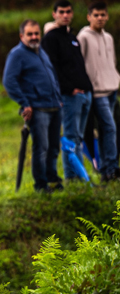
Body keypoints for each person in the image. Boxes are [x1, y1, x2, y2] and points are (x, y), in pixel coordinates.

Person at [3, 20, 65, 193]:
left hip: (54, 106)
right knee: (41, 147)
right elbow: (9, 81)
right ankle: (41, 184)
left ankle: (53, 179)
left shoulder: (41, 52)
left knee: (54, 147)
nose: (34, 37)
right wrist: (24, 102)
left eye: (36, 33)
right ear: (21, 36)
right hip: (37, 109)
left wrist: (58, 98)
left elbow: (52, 76)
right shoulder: (17, 54)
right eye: (29, 34)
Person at [43, 1, 95, 181]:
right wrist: (69, 89)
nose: (65, 15)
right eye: (61, 12)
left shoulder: (72, 37)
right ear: (54, 14)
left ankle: (79, 177)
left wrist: (88, 88)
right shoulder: (50, 39)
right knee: (71, 139)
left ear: (72, 14)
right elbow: (52, 69)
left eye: (68, 12)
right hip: (69, 96)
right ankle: (74, 179)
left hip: (85, 94)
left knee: (78, 139)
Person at [78, 1, 120, 182]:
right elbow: (79, 63)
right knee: (110, 127)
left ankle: (105, 169)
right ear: (89, 17)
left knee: (105, 130)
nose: (100, 18)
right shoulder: (83, 36)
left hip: (112, 89)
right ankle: (111, 167)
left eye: (103, 15)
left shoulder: (108, 37)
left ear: (107, 16)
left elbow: (112, 62)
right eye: (96, 15)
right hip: (96, 92)